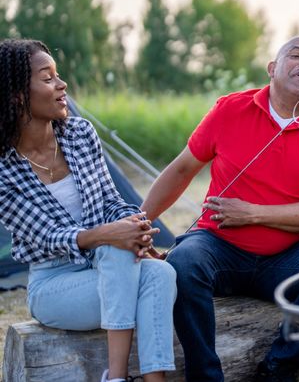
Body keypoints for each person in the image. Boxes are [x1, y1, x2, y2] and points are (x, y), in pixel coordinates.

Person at [141, 36, 299, 382]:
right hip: (219, 246)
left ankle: (277, 368)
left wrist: (253, 213)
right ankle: (206, 376)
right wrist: (141, 222)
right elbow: (181, 169)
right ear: (272, 69)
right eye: (296, 56)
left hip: (290, 254)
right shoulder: (230, 109)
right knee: (183, 261)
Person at [0, 39, 176, 382]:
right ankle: (117, 377)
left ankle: (156, 380)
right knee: (116, 250)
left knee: (162, 273)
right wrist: (110, 236)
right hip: (55, 283)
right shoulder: (3, 169)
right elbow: (48, 236)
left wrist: (135, 224)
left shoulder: (79, 134)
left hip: (107, 269)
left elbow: (111, 201)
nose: (62, 85)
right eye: (47, 78)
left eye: (58, 75)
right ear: (18, 95)